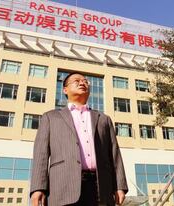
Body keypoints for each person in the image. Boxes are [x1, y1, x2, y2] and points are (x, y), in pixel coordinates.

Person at [30, 72, 128, 206]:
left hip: (101, 188)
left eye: (85, 81)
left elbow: (114, 154)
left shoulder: (103, 119)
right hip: (63, 188)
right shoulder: (51, 117)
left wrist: (119, 186)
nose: (82, 83)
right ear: (65, 89)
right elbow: (41, 155)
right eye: (77, 81)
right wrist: (38, 188)